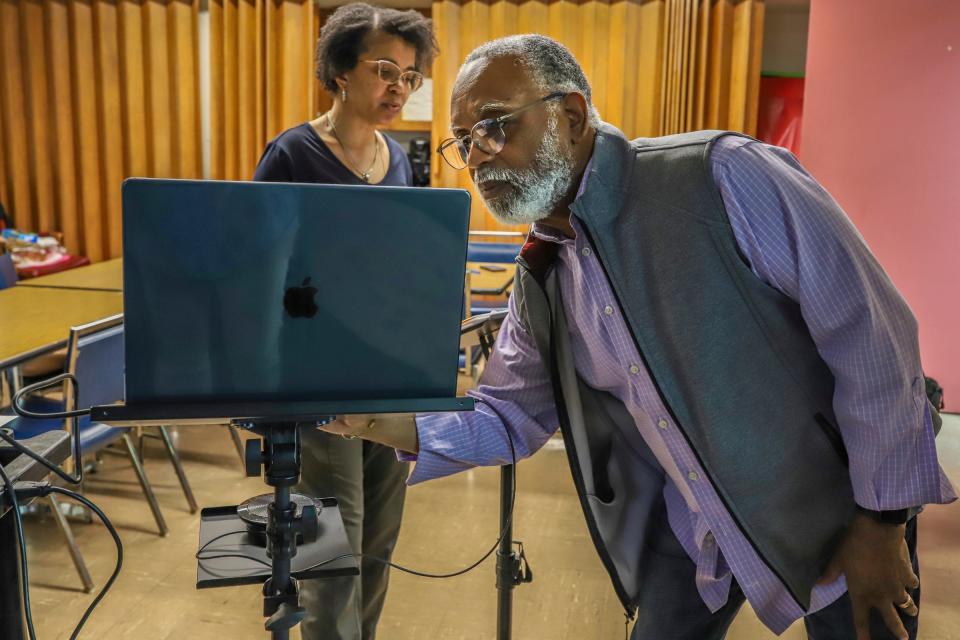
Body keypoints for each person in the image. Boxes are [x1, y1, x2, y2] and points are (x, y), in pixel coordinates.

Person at [321, 34, 956, 640]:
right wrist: (383, 423)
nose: (479, 155)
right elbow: (510, 414)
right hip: (692, 523)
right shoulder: (543, 271)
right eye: (464, 141)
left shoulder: (722, 176)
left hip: (840, 511)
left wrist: (883, 524)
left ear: (570, 114)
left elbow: (873, 337)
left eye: (493, 125)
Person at [252, 4, 438, 639]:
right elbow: (260, 279)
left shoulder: (400, 161)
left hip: (388, 378)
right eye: (386, 69)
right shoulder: (292, 155)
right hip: (318, 382)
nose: (399, 87)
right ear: (337, 70)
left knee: (379, 547)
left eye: (411, 76)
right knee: (333, 557)